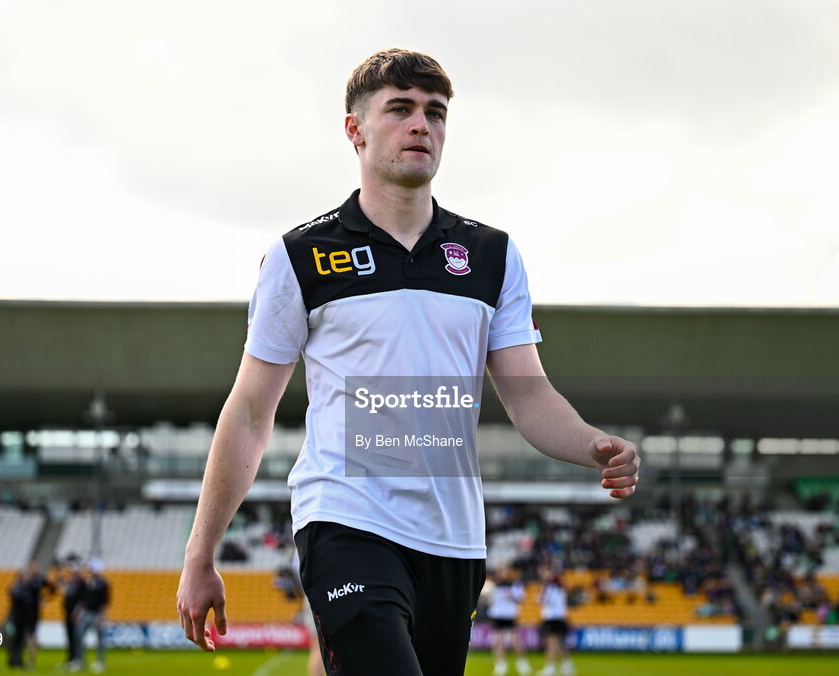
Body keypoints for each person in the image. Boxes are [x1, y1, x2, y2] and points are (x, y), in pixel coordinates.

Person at [176, 48, 641, 675]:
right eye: (401, 109)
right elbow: (251, 412)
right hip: (344, 522)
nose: (422, 124)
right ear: (355, 129)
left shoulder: (492, 255)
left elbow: (528, 395)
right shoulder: (301, 256)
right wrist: (200, 554)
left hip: (452, 541)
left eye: (435, 112)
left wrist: (592, 443)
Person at [69, 559, 110, 673]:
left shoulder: (103, 583)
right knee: (78, 636)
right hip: (86, 613)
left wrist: (102, 615)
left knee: (100, 639)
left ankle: (100, 662)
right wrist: (77, 611)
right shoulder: (86, 582)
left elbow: (105, 601)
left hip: (96, 613)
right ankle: (80, 661)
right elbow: (81, 599)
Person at [487, 566, 530, 675]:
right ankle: (501, 664)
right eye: (501, 571)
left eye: (505, 571)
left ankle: (521, 662)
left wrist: (512, 596)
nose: (503, 574)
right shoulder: (494, 585)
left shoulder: (515, 584)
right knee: (497, 640)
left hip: (510, 615)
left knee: (515, 640)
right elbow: (489, 600)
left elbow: (522, 598)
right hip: (497, 615)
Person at [538, 568, 575, 676]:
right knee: (559, 644)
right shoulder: (559, 588)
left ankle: (550, 668)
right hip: (558, 618)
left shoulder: (551, 588)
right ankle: (567, 666)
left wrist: (541, 595)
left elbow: (544, 601)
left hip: (553, 618)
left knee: (551, 644)